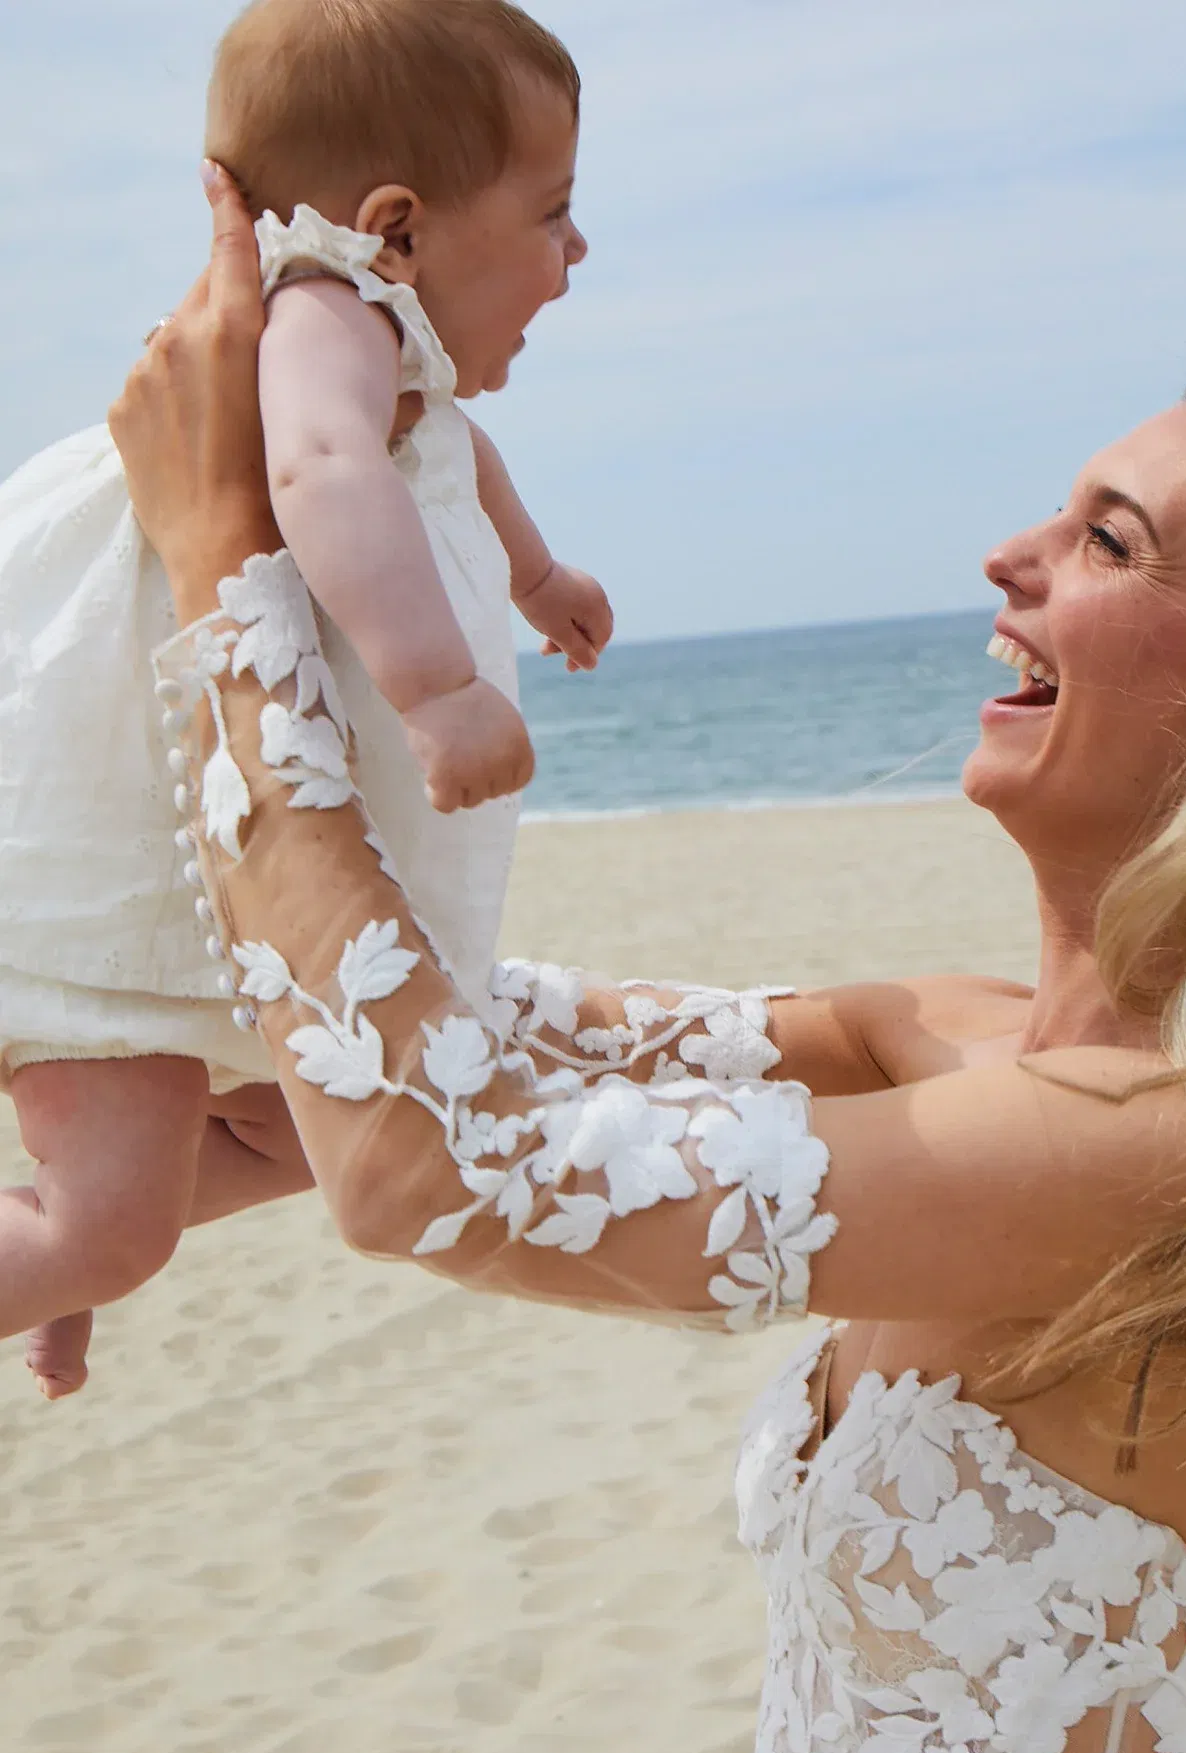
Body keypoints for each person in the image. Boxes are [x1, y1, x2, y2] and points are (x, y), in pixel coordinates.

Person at [105, 169, 1186, 1753]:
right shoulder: (965, 1033)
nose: (1010, 555)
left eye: (1107, 541)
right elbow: (486, 1045)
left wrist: (229, 555)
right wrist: (136, 1101)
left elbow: (436, 1171)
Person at [0, 0, 611, 1398]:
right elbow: (326, 473)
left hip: (204, 861)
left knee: (298, 1121)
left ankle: (62, 1226)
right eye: (554, 212)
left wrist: (538, 571)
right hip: (127, 852)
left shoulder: (401, 365)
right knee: (119, 1223)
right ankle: (67, 1235)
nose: (577, 254)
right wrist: (439, 689)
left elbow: (454, 456)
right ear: (393, 229)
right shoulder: (320, 318)